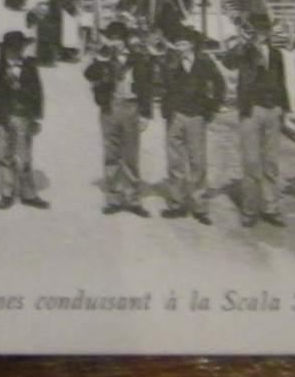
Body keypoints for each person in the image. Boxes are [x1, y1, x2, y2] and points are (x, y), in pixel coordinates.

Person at [220, 12, 290, 227]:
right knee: (251, 162)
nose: (261, 35)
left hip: (273, 110)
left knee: (271, 163)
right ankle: (249, 210)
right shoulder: (245, 51)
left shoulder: (277, 54)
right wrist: (242, 43)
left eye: (264, 31)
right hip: (251, 111)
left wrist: (282, 109)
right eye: (257, 31)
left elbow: (281, 82)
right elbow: (228, 62)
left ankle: (271, 207)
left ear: (268, 32)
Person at [83, 20, 154, 217]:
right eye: (111, 39)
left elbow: (146, 85)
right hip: (110, 108)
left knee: (131, 156)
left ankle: (132, 199)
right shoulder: (104, 57)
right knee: (111, 154)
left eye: (118, 39)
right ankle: (113, 198)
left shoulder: (137, 57)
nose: (115, 43)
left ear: (124, 39)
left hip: (131, 107)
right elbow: (88, 75)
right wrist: (100, 60)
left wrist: (146, 114)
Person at [158, 28, 225, 224]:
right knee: (175, 163)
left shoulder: (204, 61)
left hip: (196, 116)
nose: (180, 47)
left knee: (198, 163)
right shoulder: (169, 61)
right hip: (175, 116)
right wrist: (169, 61)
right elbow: (161, 82)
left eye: (183, 44)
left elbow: (219, 83)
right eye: (177, 44)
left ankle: (200, 207)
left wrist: (212, 107)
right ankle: (175, 204)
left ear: (191, 45)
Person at [0, 30, 48, 209]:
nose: (15, 52)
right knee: (5, 156)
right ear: (4, 50)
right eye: (11, 49)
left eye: (18, 48)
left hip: (23, 118)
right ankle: (7, 193)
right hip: (4, 119)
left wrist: (36, 118)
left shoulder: (30, 68)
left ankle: (28, 194)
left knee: (24, 157)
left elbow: (37, 94)